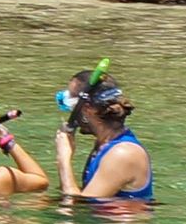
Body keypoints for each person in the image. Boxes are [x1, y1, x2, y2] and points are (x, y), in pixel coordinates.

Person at [56, 70, 152, 204]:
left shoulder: (122, 154)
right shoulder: (104, 144)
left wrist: (63, 159)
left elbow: (74, 207)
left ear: (87, 109)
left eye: (71, 106)